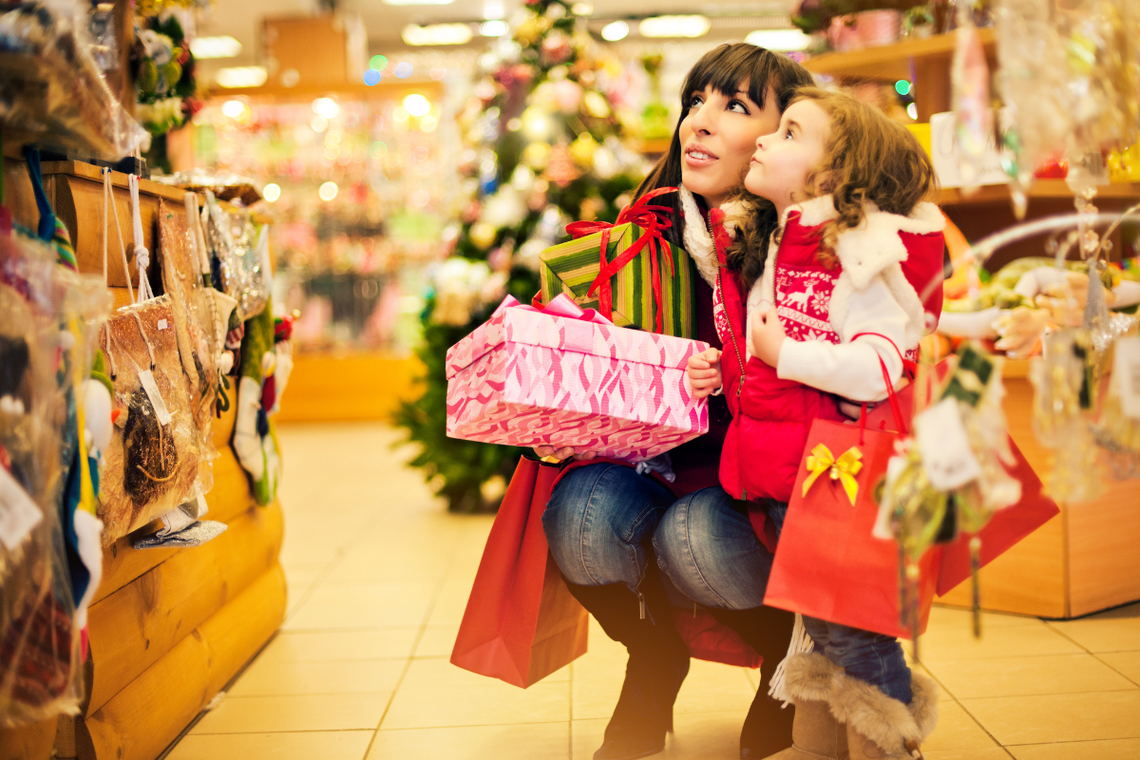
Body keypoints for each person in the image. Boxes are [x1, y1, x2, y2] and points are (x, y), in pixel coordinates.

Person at [538, 44, 815, 760]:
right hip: (652, 464)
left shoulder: (803, 246)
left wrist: (739, 371)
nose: (699, 122)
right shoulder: (646, 234)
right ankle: (654, 657)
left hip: (757, 489)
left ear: (793, 134)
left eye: (734, 106)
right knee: (578, 515)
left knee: (694, 535)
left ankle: (785, 667)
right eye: (697, 101)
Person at [670, 87, 946, 760]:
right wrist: (729, 366)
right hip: (790, 476)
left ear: (833, 176)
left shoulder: (850, 257)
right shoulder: (778, 246)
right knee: (824, 631)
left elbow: (884, 363)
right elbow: (764, 353)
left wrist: (783, 355)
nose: (764, 140)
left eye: (789, 133)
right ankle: (825, 746)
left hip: (835, 478)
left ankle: (890, 745)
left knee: (855, 632)